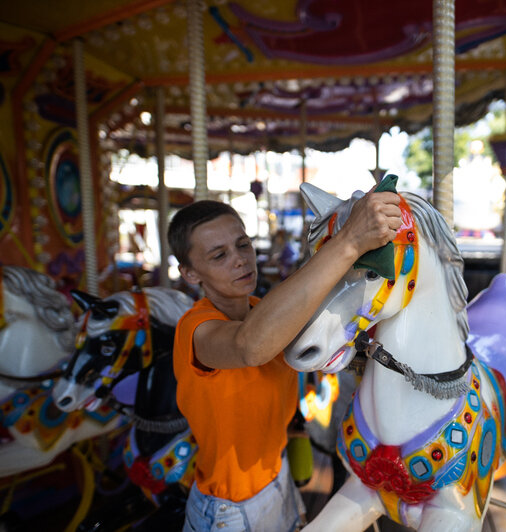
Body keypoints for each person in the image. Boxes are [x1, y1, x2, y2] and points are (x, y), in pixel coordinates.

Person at [168, 190, 402, 532]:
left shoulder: (260, 308)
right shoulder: (196, 329)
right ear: (190, 274)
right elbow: (250, 347)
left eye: (243, 245)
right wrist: (349, 241)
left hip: (279, 478)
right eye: (219, 255)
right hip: (230, 507)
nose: (240, 260)